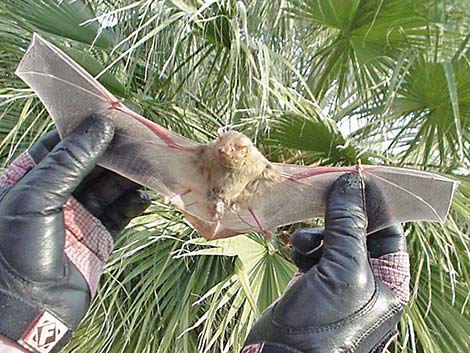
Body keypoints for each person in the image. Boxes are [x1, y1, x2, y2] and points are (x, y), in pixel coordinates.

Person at [0, 115, 409, 353]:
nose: (231, 153)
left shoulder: (266, 170)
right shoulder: (200, 156)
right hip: (200, 199)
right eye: (226, 146)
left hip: (244, 206)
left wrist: (17, 319)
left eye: (238, 149)